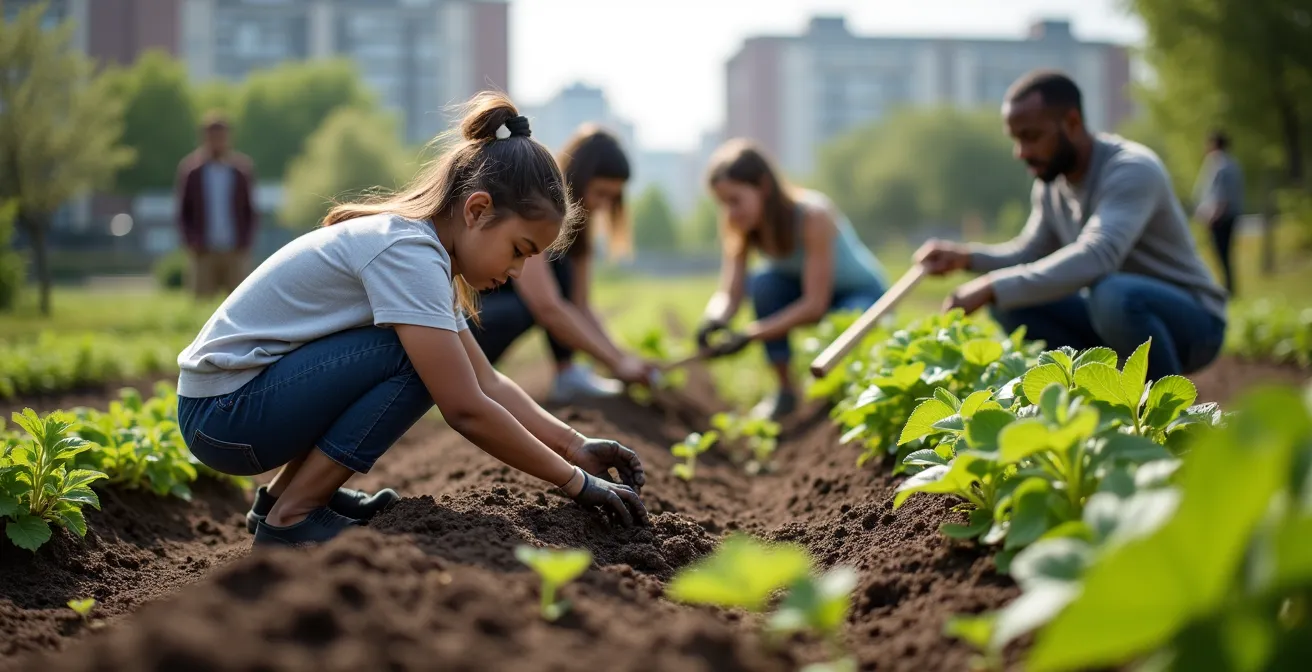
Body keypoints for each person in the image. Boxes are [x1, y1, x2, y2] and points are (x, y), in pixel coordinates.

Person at [174, 92, 649, 548]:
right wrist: (577, 483)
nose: (515, 272)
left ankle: (282, 499)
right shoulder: (410, 255)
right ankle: (293, 517)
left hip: (227, 410)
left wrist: (574, 444)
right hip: (226, 417)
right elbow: (465, 407)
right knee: (421, 363)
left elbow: (488, 381)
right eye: (518, 250)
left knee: (434, 361)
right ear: (478, 210)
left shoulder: (421, 254)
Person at [914, 69, 1228, 382]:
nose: (1022, 153)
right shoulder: (1051, 183)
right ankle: (1092, 400)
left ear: (1073, 123)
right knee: (1012, 303)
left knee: (1111, 292)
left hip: (1194, 323)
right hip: (1114, 315)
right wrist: (966, 258)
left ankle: (1164, 416)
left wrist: (993, 285)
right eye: (1016, 139)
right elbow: (1030, 253)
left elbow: (1098, 255)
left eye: (1032, 137)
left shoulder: (1131, 169)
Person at [694, 139, 888, 420]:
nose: (731, 212)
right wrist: (714, 320)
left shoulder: (812, 215)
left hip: (860, 293)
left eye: (735, 200)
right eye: (723, 204)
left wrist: (749, 334)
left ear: (763, 186)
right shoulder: (740, 226)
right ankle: (785, 391)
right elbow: (730, 292)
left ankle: (845, 401)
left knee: (844, 328)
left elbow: (814, 305)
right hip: (805, 289)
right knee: (763, 284)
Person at [470, 124, 657, 401]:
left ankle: (566, 373)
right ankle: (483, 380)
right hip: (472, 322)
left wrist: (622, 358)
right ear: (579, 179)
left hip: (497, 321)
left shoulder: (581, 232)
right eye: (601, 193)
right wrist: (615, 364)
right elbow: (547, 306)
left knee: (559, 277)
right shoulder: (537, 208)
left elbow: (581, 305)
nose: (604, 205)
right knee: (524, 306)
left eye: (613, 198)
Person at [175, 112, 259, 299]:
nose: (217, 142)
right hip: (203, 251)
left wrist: (245, 241)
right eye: (213, 137)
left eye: (221, 137)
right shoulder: (192, 171)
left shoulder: (241, 170)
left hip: (235, 250)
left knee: (241, 301)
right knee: (201, 304)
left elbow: (250, 209)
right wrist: (192, 242)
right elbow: (183, 212)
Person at [1192, 130, 1244, 295]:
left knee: (1221, 253)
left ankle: (1227, 288)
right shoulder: (1233, 164)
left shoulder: (1218, 164)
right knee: (1226, 253)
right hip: (1232, 215)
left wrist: (1211, 217)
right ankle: (1229, 287)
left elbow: (1220, 196)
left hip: (1220, 217)